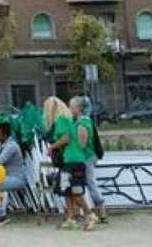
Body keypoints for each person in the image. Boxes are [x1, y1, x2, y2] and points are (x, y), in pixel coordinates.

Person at [44, 96, 96, 231]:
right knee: (66, 190)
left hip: (72, 160)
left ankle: (90, 214)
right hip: (71, 160)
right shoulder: (68, 120)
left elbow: (65, 139)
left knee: (74, 191)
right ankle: (71, 219)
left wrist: (52, 147)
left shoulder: (60, 120)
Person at [71, 96, 107, 225]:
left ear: (78, 109)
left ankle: (99, 209)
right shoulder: (85, 121)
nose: (70, 109)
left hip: (85, 158)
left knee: (89, 183)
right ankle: (93, 210)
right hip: (88, 156)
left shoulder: (81, 123)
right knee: (86, 183)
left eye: (72, 106)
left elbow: (81, 145)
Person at [0, 122, 27, 225]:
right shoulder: (4, 144)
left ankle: (2, 215)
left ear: (5, 135)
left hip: (17, 178)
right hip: (7, 177)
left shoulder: (11, 146)